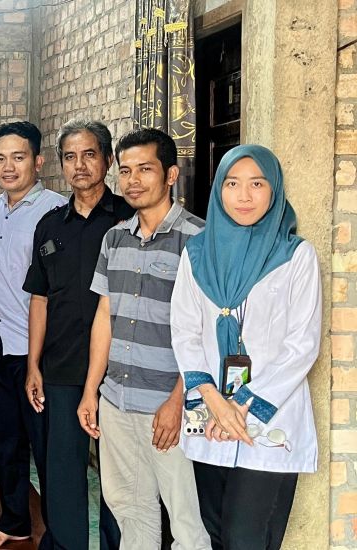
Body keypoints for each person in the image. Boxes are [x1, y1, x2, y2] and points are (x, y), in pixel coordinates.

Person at [171, 145, 320, 549]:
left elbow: (302, 344)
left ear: (274, 190)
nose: (244, 196)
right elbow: (184, 331)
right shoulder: (197, 254)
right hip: (210, 415)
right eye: (232, 184)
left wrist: (241, 405)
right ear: (219, 189)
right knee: (216, 532)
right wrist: (214, 400)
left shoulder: (295, 256)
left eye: (257, 184)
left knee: (246, 537)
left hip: (266, 420)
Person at [77, 128, 210, 549]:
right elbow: (105, 317)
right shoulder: (114, 238)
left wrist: (177, 401)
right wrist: (91, 391)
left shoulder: (199, 241)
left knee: (187, 520)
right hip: (117, 399)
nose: (132, 180)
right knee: (130, 511)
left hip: (170, 406)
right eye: (126, 170)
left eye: (145, 169)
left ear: (170, 175)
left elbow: (209, 333)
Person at [22, 119, 129, 550]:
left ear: (107, 160)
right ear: (61, 164)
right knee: (63, 472)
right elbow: (40, 298)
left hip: (121, 369)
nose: (79, 165)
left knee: (119, 476)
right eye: (70, 157)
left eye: (89, 155)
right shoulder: (50, 226)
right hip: (62, 366)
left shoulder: (129, 219)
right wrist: (33, 364)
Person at [0, 121, 66, 550]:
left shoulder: (56, 212)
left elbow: (58, 290)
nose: (8, 166)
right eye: (0, 158)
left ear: (38, 161)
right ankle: (14, 521)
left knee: (46, 448)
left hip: (36, 352)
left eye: (18, 157)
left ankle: (60, 533)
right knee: (3, 442)